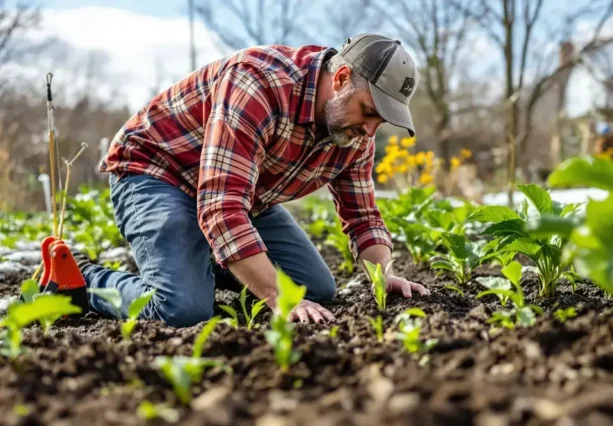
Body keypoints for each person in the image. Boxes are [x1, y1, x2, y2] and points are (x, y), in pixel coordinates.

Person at [73, 33, 429, 327]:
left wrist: (383, 275)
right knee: (182, 309)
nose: (370, 130)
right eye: (368, 112)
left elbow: (362, 216)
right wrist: (275, 297)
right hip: (157, 172)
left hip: (245, 192)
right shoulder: (259, 83)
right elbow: (220, 207)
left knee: (315, 289)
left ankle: (203, 263)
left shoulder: (353, 135)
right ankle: (82, 279)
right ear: (340, 79)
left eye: (381, 121)